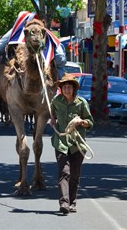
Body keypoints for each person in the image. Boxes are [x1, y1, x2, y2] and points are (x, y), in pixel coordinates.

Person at [50, 73, 94, 215]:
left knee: (74, 175)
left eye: (70, 87)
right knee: (63, 173)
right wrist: (52, 120)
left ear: (74, 89)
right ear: (61, 89)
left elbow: (90, 122)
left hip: (77, 145)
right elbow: (52, 114)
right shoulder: (56, 101)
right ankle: (64, 203)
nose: (67, 89)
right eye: (65, 87)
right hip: (61, 143)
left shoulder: (81, 103)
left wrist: (81, 121)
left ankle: (72, 202)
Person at [0, 11, 67, 79]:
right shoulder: (18, 31)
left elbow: (61, 59)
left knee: (60, 58)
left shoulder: (50, 38)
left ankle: (61, 84)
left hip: (56, 66)